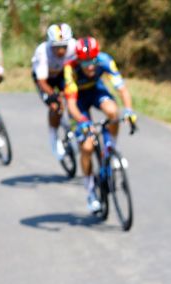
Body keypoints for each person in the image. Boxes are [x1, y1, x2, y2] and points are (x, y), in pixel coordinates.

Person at [62, 37, 136, 213]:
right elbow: (71, 105)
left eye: (92, 61)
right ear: (78, 60)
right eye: (85, 62)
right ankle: (90, 192)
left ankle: (111, 150)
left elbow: (122, 88)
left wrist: (129, 111)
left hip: (96, 91)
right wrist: (83, 122)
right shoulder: (70, 69)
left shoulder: (104, 60)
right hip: (78, 100)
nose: (89, 66)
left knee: (113, 112)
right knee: (87, 148)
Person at [31, 23, 77, 160]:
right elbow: (42, 82)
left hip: (62, 74)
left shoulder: (74, 46)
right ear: (50, 43)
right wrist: (55, 95)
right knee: (56, 106)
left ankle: (74, 128)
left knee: (74, 98)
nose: (61, 51)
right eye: (57, 47)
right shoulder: (42, 51)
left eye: (64, 46)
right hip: (45, 79)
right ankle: (53, 136)